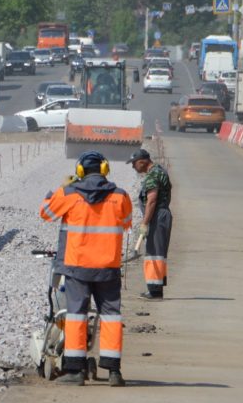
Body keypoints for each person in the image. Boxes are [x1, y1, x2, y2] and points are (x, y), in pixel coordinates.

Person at [40, 151, 133, 386]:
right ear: (104, 169)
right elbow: (127, 223)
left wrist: (56, 191)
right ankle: (113, 372)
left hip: (77, 267)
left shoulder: (69, 194)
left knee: (76, 316)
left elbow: (46, 213)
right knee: (111, 316)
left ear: (80, 171)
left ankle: (75, 370)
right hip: (107, 268)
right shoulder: (120, 196)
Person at [128, 148, 173, 300]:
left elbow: (152, 201)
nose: (133, 167)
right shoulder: (159, 171)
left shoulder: (153, 175)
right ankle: (156, 288)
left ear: (142, 162)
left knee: (154, 253)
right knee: (157, 252)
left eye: (134, 164)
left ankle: (154, 290)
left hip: (157, 216)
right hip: (160, 215)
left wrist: (145, 223)